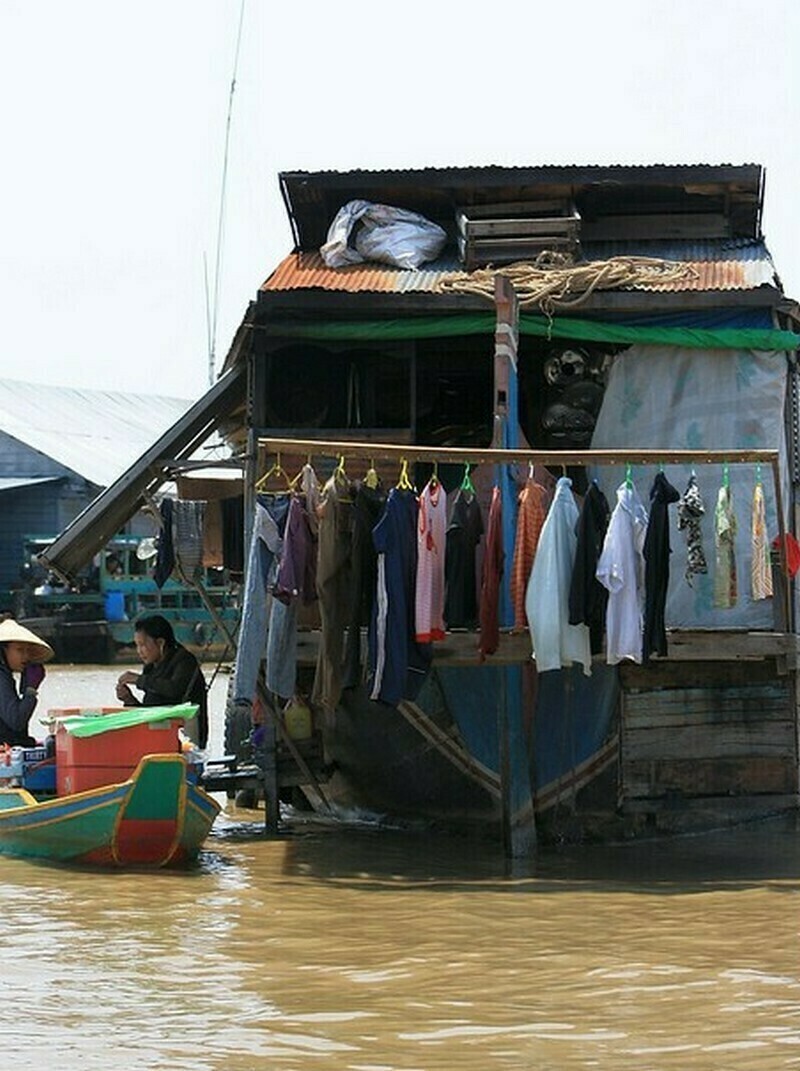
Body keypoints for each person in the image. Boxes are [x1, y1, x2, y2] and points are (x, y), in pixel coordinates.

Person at [115, 614, 208, 748]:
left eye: (142, 645)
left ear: (160, 643)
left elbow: (174, 690)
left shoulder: (184, 661)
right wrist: (129, 699)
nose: (139, 651)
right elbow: (149, 711)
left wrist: (139, 680)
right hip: (157, 735)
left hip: (184, 737)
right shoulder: (151, 667)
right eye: (137, 645)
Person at [0, 618, 54, 747]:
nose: (25, 656)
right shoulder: (1, 677)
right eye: (20, 650)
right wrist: (30, 690)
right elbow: (17, 721)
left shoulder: (6, 676)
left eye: (28, 651)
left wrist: (25, 687)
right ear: (3, 650)